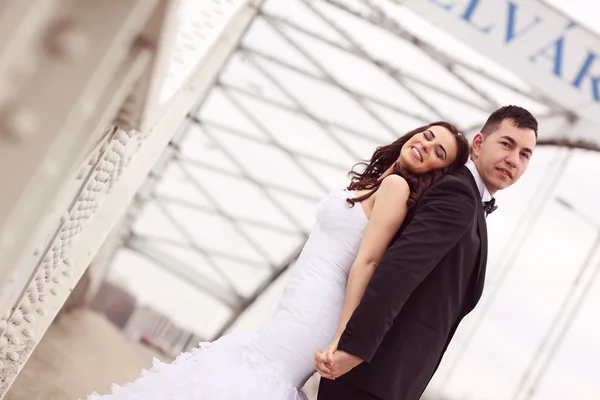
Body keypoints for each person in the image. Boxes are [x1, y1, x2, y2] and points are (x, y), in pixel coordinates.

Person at [86, 121, 470, 400]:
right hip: (300, 303)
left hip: (316, 313)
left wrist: (341, 338)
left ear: (439, 170)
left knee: (254, 377)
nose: (427, 145)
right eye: (428, 135)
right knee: (242, 373)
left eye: (440, 153)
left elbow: (367, 264)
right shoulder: (383, 180)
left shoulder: (396, 187)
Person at [315, 105, 538, 400]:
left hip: (383, 381)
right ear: (479, 143)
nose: (513, 159)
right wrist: (354, 349)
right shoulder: (458, 195)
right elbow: (398, 270)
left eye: (525, 154)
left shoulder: (469, 202)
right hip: (367, 376)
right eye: (507, 144)